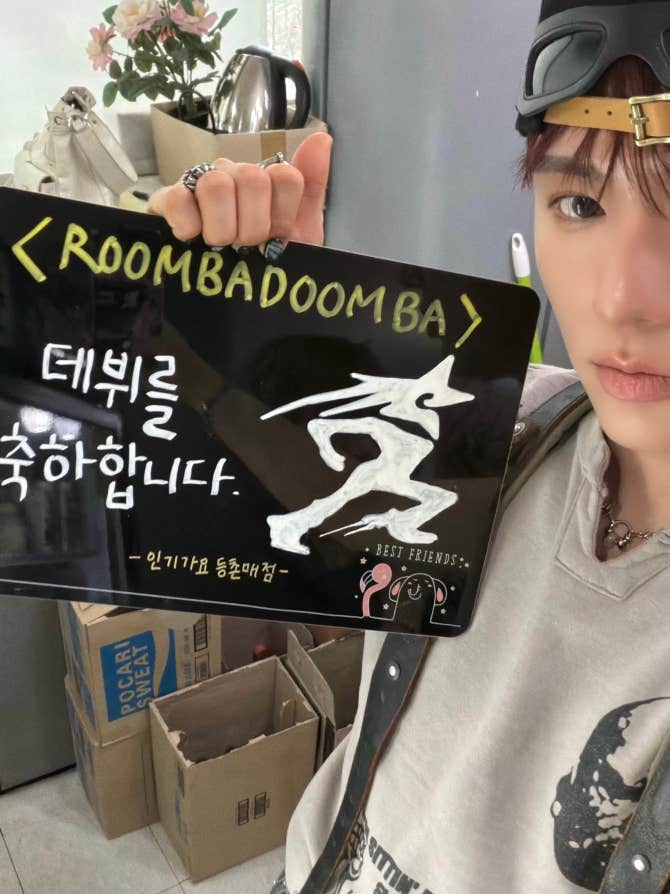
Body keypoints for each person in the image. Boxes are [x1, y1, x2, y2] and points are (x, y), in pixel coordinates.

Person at [148, 0, 670, 889]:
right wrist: (242, 332)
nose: (622, 297)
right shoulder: (519, 424)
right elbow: (326, 498)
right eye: (579, 202)